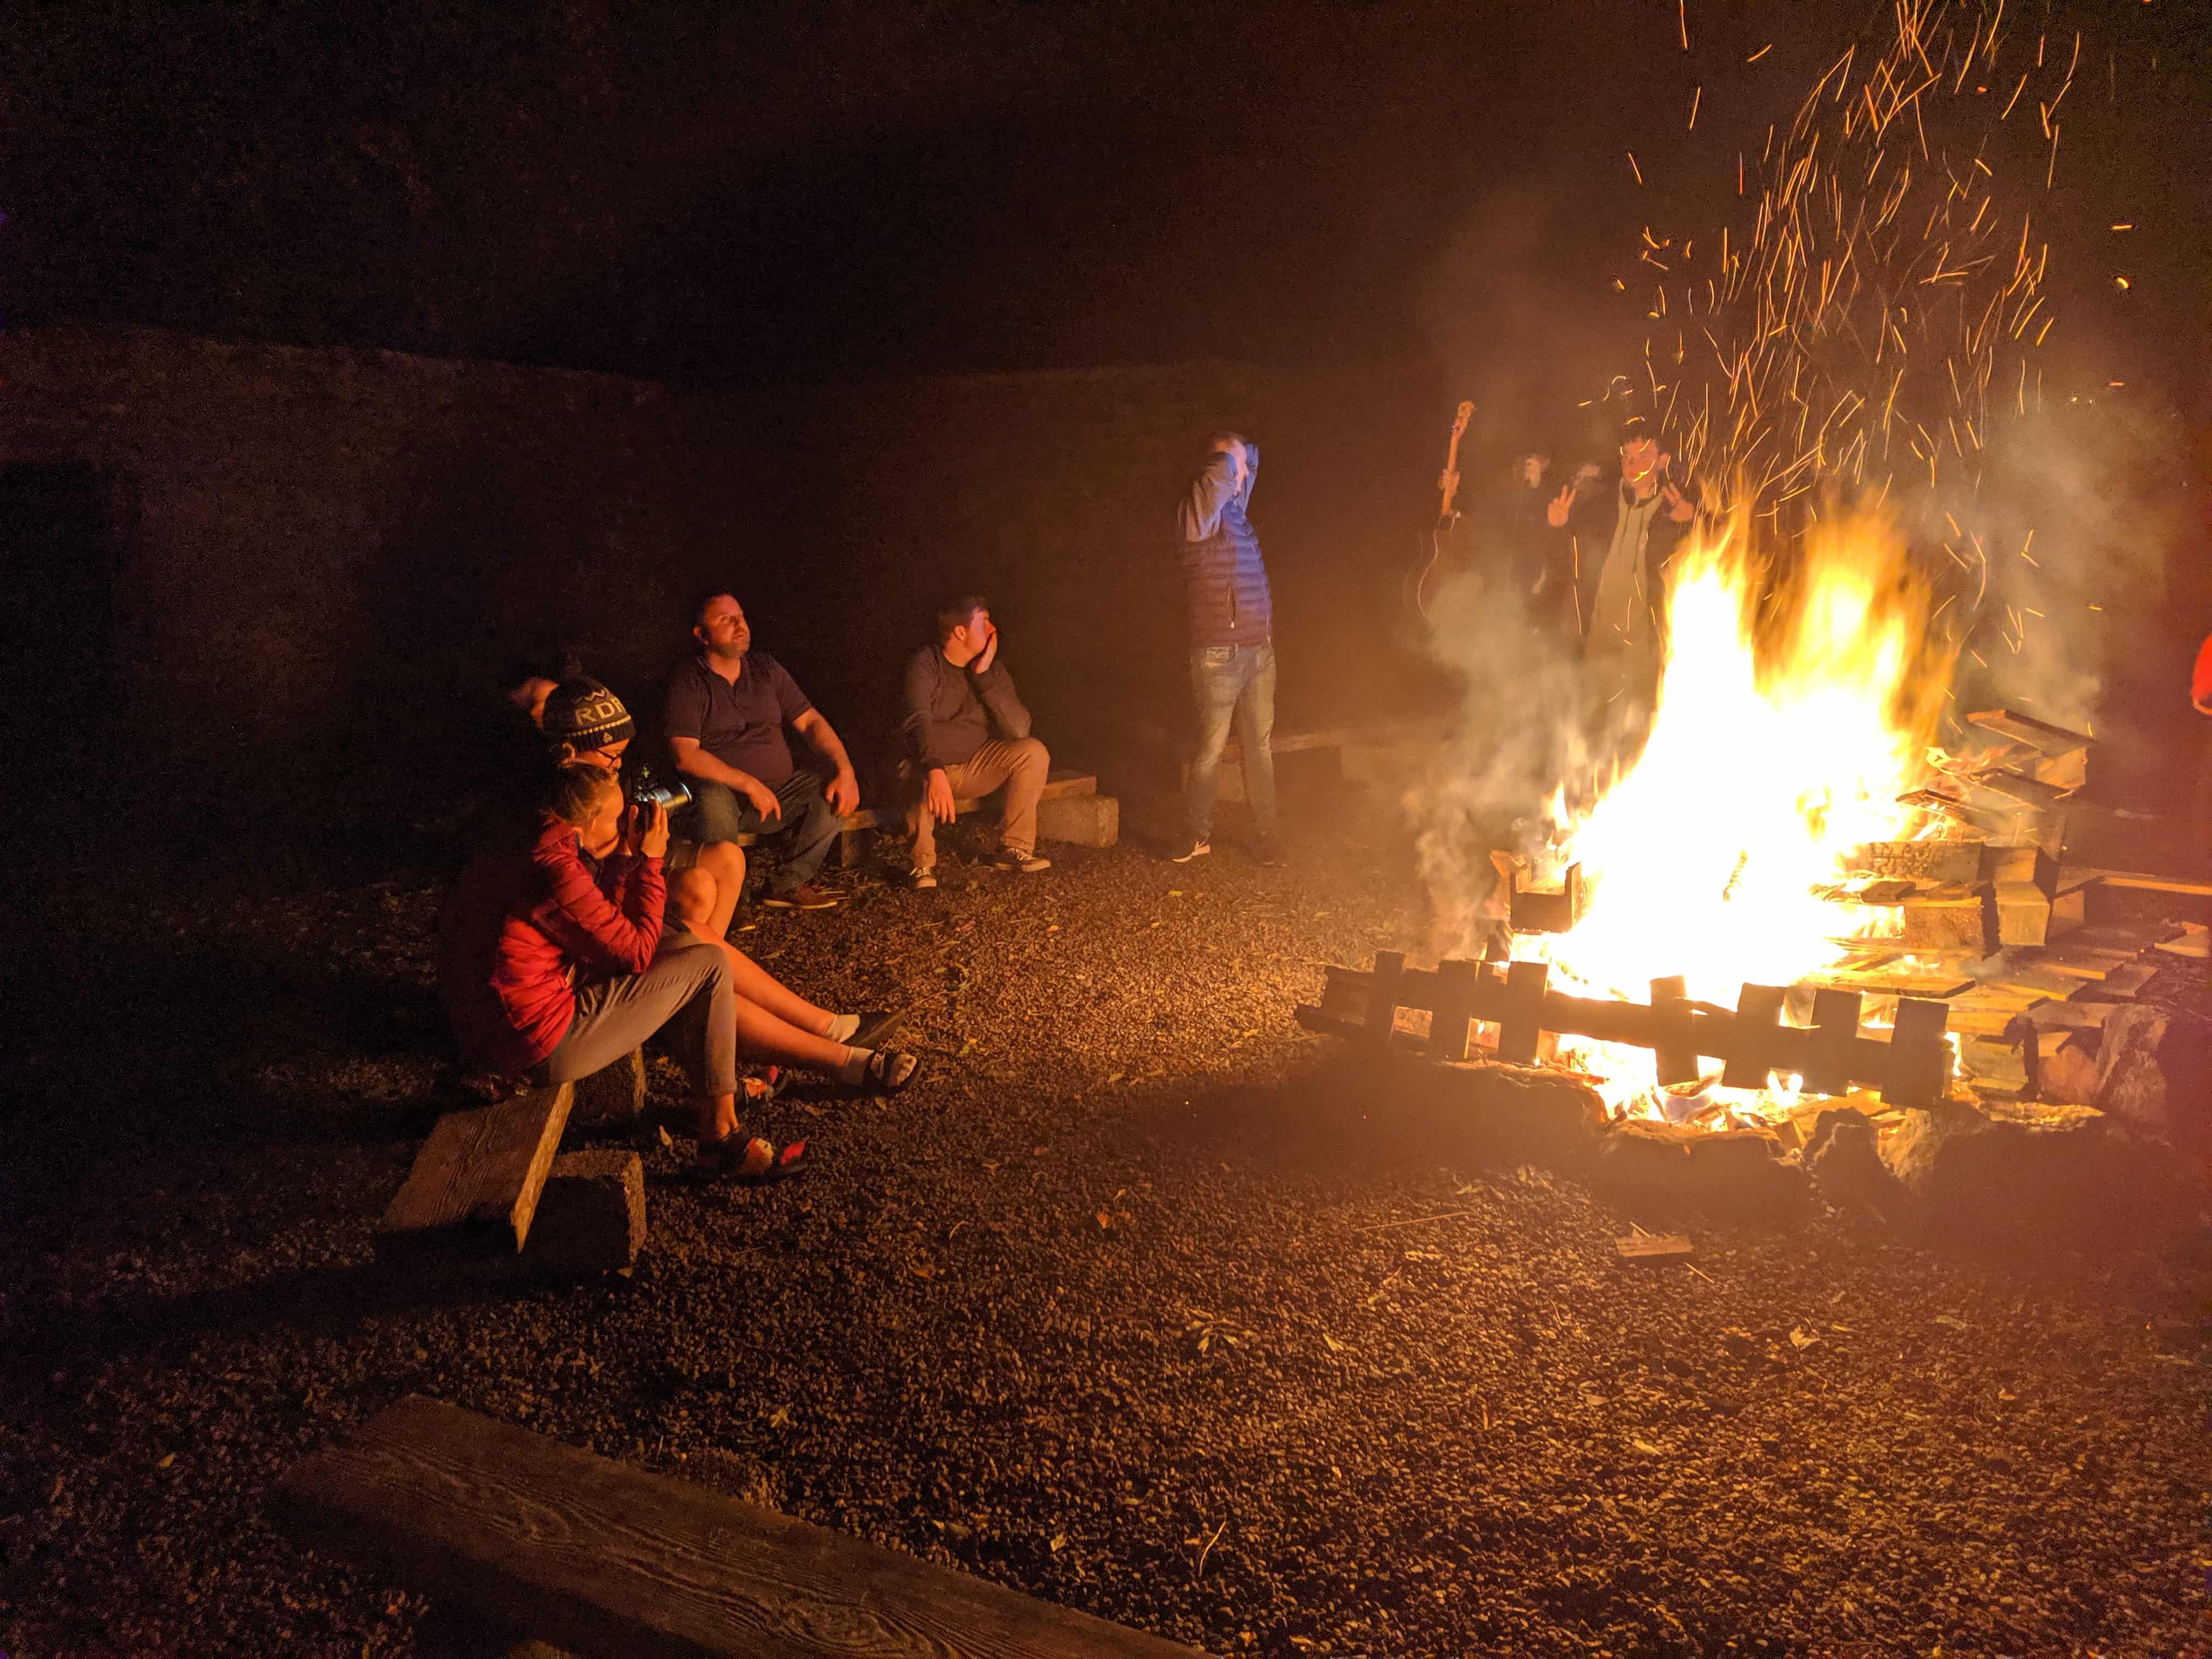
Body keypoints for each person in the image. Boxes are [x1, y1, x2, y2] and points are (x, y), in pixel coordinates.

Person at [438, 764, 918, 1181]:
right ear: (585, 823)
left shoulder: (543, 841)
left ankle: (821, 1057)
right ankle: (722, 1138)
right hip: (535, 1043)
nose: (627, 821)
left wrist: (623, 858)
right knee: (705, 965)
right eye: (616, 816)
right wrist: (647, 860)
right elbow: (634, 954)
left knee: (691, 944)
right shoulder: (554, 869)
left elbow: (607, 924)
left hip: (515, 1020)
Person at [663, 592, 860, 911]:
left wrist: (845, 769)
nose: (739, 625)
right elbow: (685, 754)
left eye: (740, 616)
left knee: (832, 791)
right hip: (725, 797)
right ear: (702, 635)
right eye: (725, 620)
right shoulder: (689, 681)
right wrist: (748, 784)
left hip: (779, 794)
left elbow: (811, 721)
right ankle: (732, 903)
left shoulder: (765, 669)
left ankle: (789, 882)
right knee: (712, 799)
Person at [540, 677, 748, 944]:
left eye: (622, 753)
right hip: (610, 872)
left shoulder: (606, 773)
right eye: (611, 754)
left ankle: (711, 956)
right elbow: (592, 866)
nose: (618, 763)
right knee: (698, 887)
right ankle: (692, 958)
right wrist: (640, 851)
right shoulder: (560, 796)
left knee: (729, 858)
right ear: (572, 750)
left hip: (630, 849)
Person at [1172, 430, 1283, 867]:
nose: (1241, 477)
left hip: (1259, 652)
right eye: (1231, 469)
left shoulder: (1234, 512)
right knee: (1211, 750)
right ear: (1214, 470)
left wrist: (1240, 456)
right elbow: (1222, 477)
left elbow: (1251, 461)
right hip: (1218, 655)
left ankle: (1267, 833)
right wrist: (1226, 459)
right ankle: (1196, 832)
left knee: (1260, 748)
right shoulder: (1198, 516)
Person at [899, 597, 1051, 889]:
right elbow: (917, 721)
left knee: (1032, 752)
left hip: (973, 765)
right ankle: (921, 864)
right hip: (929, 766)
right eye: (985, 623)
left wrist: (983, 676)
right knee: (917, 770)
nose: (993, 629)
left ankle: (1014, 849)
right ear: (960, 631)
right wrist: (935, 768)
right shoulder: (925, 664)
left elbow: (1020, 729)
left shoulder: (991, 670)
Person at [1549, 420, 1696, 710]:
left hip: (1645, 647)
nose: (1633, 466)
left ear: (1662, 461)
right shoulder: (1598, 505)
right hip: (1598, 640)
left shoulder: (1676, 509)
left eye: (1644, 456)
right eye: (1628, 458)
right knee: (1592, 719)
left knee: (1637, 722)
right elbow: (1563, 564)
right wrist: (1558, 527)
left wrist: (1694, 521)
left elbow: (1729, 549)